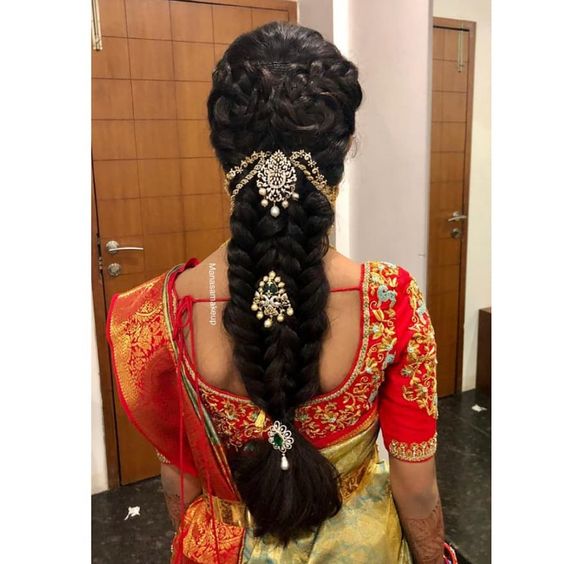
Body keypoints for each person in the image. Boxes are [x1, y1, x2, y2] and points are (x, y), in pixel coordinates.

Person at [107, 22, 456, 564]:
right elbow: (416, 488)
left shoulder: (158, 313)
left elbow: (181, 482)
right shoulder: (390, 302)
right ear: (343, 151)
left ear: (223, 158)